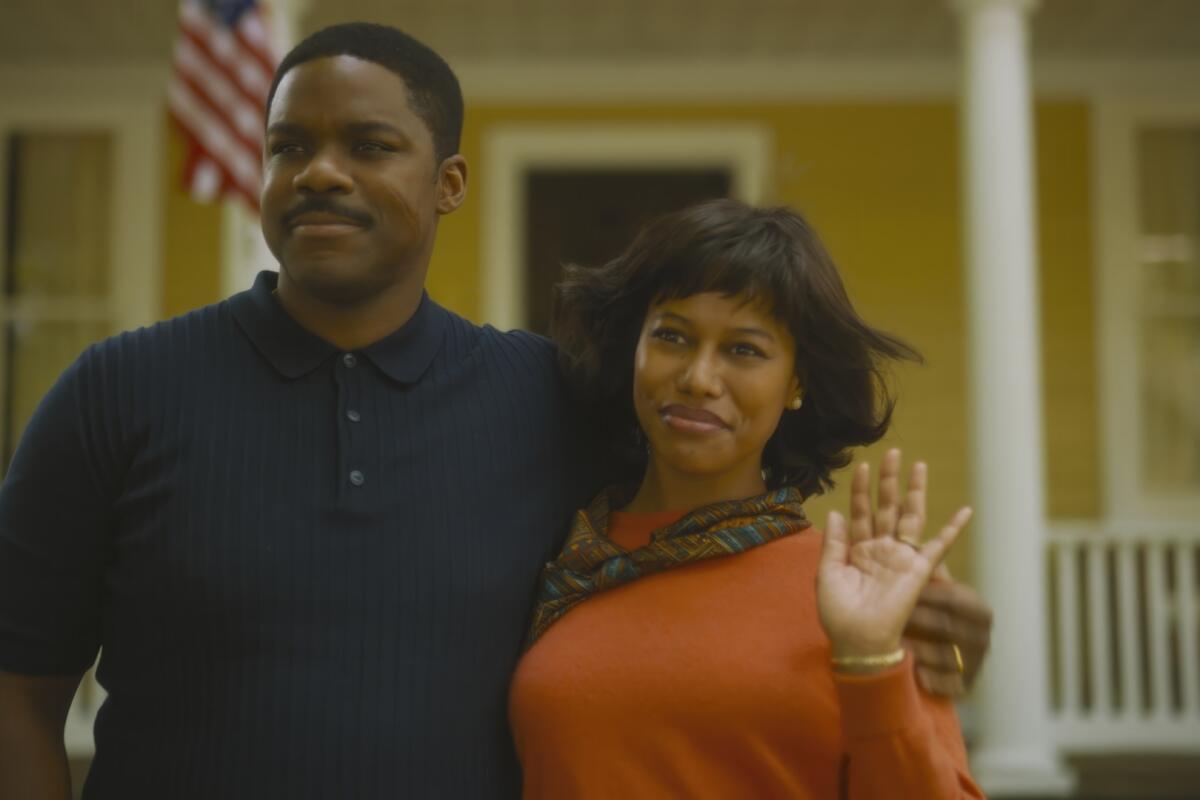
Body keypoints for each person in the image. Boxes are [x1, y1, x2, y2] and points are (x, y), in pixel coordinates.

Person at [0, 22, 988, 800]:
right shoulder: (117, 392)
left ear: (449, 184)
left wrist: (920, 639)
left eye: (369, 145)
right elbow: (17, 682)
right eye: (288, 145)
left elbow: (714, 518)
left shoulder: (544, 398)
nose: (321, 172)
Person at [510, 199, 985, 798]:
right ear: (635, 349)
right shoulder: (563, 559)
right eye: (672, 336)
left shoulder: (858, 595)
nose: (698, 378)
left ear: (796, 382)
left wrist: (871, 663)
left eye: (744, 350)